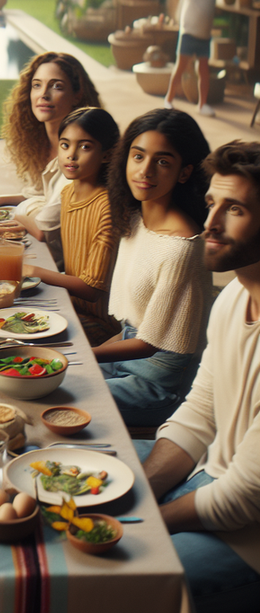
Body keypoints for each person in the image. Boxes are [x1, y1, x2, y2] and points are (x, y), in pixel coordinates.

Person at [136, 140, 260, 613]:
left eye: (235, 210)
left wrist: (142, 521)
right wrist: (142, 489)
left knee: (120, 579)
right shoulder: (233, 298)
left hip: (249, 541)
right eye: (212, 203)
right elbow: (199, 412)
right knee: (87, 473)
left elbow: (243, 499)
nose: (210, 224)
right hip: (210, 479)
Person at [95, 109, 213, 427]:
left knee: (69, 396)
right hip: (125, 351)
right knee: (48, 381)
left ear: (184, 172)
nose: (145, 171)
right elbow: (131, 329)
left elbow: (150, 343)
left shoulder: (182, 248)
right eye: (138, 156)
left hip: (156, 383)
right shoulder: (134, 220)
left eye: (162, 162)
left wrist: (85, 354)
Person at [0, 52, 101, 265]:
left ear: (77, 95)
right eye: (37, 85)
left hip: (71, 260)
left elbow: (43, 225)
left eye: (56, 86)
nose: (43, 95)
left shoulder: (82, 154)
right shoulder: (41, 143)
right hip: (46, 247)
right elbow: (45, 195)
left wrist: (16, 214)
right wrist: (2, 199)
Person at [23, 107, 121, 347]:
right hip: (69, 303)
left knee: (23, 341)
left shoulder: (107, 207)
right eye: (65, 145)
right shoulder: (68, 193)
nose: (71, 155)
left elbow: (91, 289)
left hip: (101, 322)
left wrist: (33, 271)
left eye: (85, 147)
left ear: (106, 155)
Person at [163, 0, 216, 117]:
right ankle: (168, 99)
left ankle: (202, 104)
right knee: (180, 67)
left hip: (204, 37)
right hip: (188, 35)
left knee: (204, 70)